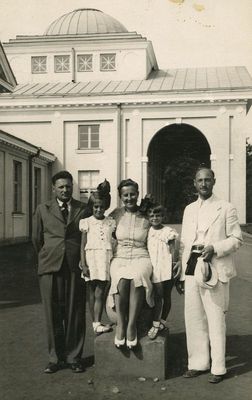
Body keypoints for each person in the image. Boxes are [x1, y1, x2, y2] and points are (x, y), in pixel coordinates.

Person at [176, 166, 243, 384]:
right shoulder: (189, 209)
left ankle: (218, 367)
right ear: (194, 184)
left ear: (213, 181)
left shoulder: (226, 208)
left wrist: (214, 247)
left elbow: (236, 239)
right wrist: (181, 273)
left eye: (207, 180)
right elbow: (184, 243)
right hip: (192, 267)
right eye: (199, 180)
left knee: (215, 318)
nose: (203, 184)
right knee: (194, 317)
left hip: (215, 267)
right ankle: (198, 363)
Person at [32, 170, 88, 374]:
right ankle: (55, 358)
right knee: (52, 313)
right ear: (53, 188)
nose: (65, 190)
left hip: (74, 266)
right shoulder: (43, 209)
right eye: (61, 186)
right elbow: (36, 239)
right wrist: (49, 256)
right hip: (50, 266)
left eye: (68, 186)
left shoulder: (83, 208)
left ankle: (74, 357)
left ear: (73, 187)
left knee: (74, 312)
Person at [108, 179, 154, 349]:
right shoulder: (115, 215)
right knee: (120, 277)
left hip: (141, 255)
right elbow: (104, 235)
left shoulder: (147, 214)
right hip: (120, 256)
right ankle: (121, 324)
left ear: (138, 194)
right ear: (120, 197)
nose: (129, 198)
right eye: (125, 195)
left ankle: (132, 325)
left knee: (138, 276)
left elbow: (158, 234)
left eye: (132, 194)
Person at [79, 190, 115, 335]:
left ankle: (97, 322)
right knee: (91, 292)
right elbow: (83, 245)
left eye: (101, 207)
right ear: (92, 207)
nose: (98, 209)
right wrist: (83, 263)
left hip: (104, 259)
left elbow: (114, 241)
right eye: (95, 207)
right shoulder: (86, 222)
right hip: (91, 259)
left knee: (100, 292)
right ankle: (96, 323)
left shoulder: (111, 222)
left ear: (105, 207)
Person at [146, 203, 179, 340]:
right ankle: (154, 321)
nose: (155, 218)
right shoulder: (148, 231)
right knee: (156, 296)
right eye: (152, 215)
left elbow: (173, 249)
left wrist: (174, 264)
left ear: (162, 216)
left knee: (166, 296)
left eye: (158, 215)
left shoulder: (167, 231)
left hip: (166, 266)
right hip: (154, 266)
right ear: (148, 217)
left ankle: (160, 322)